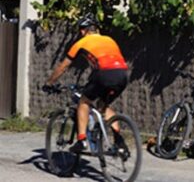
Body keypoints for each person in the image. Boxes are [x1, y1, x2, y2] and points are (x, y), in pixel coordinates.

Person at [43, 15, 130, 154]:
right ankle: (119, 141)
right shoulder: (109, 39)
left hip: (103, 74)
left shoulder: (81, 43)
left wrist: (49, 82)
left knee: (84, 102)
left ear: (83, 31)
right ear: (97, 29)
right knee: (103, 105)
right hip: (123, 74)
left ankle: (82, 140)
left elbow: (63, 66)